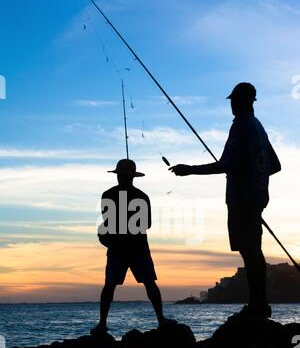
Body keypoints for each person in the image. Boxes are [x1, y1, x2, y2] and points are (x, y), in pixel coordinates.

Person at [169, 83, 281, 318]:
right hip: (257, 196)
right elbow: (275, 165)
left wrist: (189, 170)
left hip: (242, 198)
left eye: (234, 100)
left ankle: (257, 305)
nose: (231, 104)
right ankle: (259, 303)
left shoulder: (241, 125)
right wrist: (255, 176)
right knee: (253, 250)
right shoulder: (258, 126)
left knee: (249, 252)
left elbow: (225, 164)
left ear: (241, 102)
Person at [91, 158, 176, 335]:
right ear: (133, 177)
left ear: (118, 176)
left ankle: (102, 323)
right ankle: (161, 320)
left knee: (110, 285)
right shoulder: (142, 196)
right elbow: (148, 223)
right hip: (138, 247)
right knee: (149, 283)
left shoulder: (107, 195)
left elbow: (108, 221)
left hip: (117, 247)